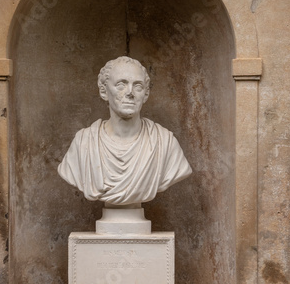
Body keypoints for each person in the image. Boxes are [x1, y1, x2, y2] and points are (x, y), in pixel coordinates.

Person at [58, 56, 192, 206]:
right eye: (121, 85)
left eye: (138, 86)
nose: (130, 92)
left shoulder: (165, 143)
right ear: (104, 91)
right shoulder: (83, 143)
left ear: (146, 94)